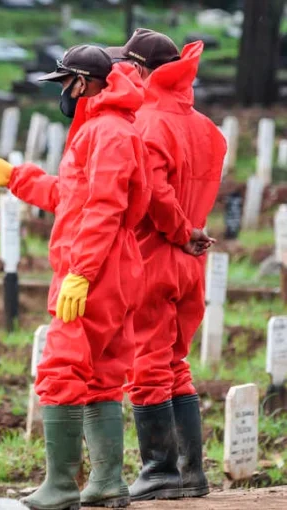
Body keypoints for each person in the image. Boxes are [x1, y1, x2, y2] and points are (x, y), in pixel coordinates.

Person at [0, 45, 149, 510]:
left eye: (65, 82)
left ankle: (61, 486)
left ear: (84, 82)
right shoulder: (112, 127)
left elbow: (104, 207)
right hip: (114, 263)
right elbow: (72, 197)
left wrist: (81, 272)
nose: (63, 92)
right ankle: (107, 482)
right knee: (104, 373)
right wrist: (15, 177)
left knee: (61, 367)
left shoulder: (107, 131)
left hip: (95, 266)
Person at [107, 29, 226, 502]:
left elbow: (157, 194)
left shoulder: (146, 122)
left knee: (148, 362)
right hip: (190, 259)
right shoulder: (206, 127)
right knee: (175, 362)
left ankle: (159, 471)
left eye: (125, 65)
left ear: (139, 70)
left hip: (155, 251)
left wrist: (179, 230)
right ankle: (190, 473)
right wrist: (190, 231)